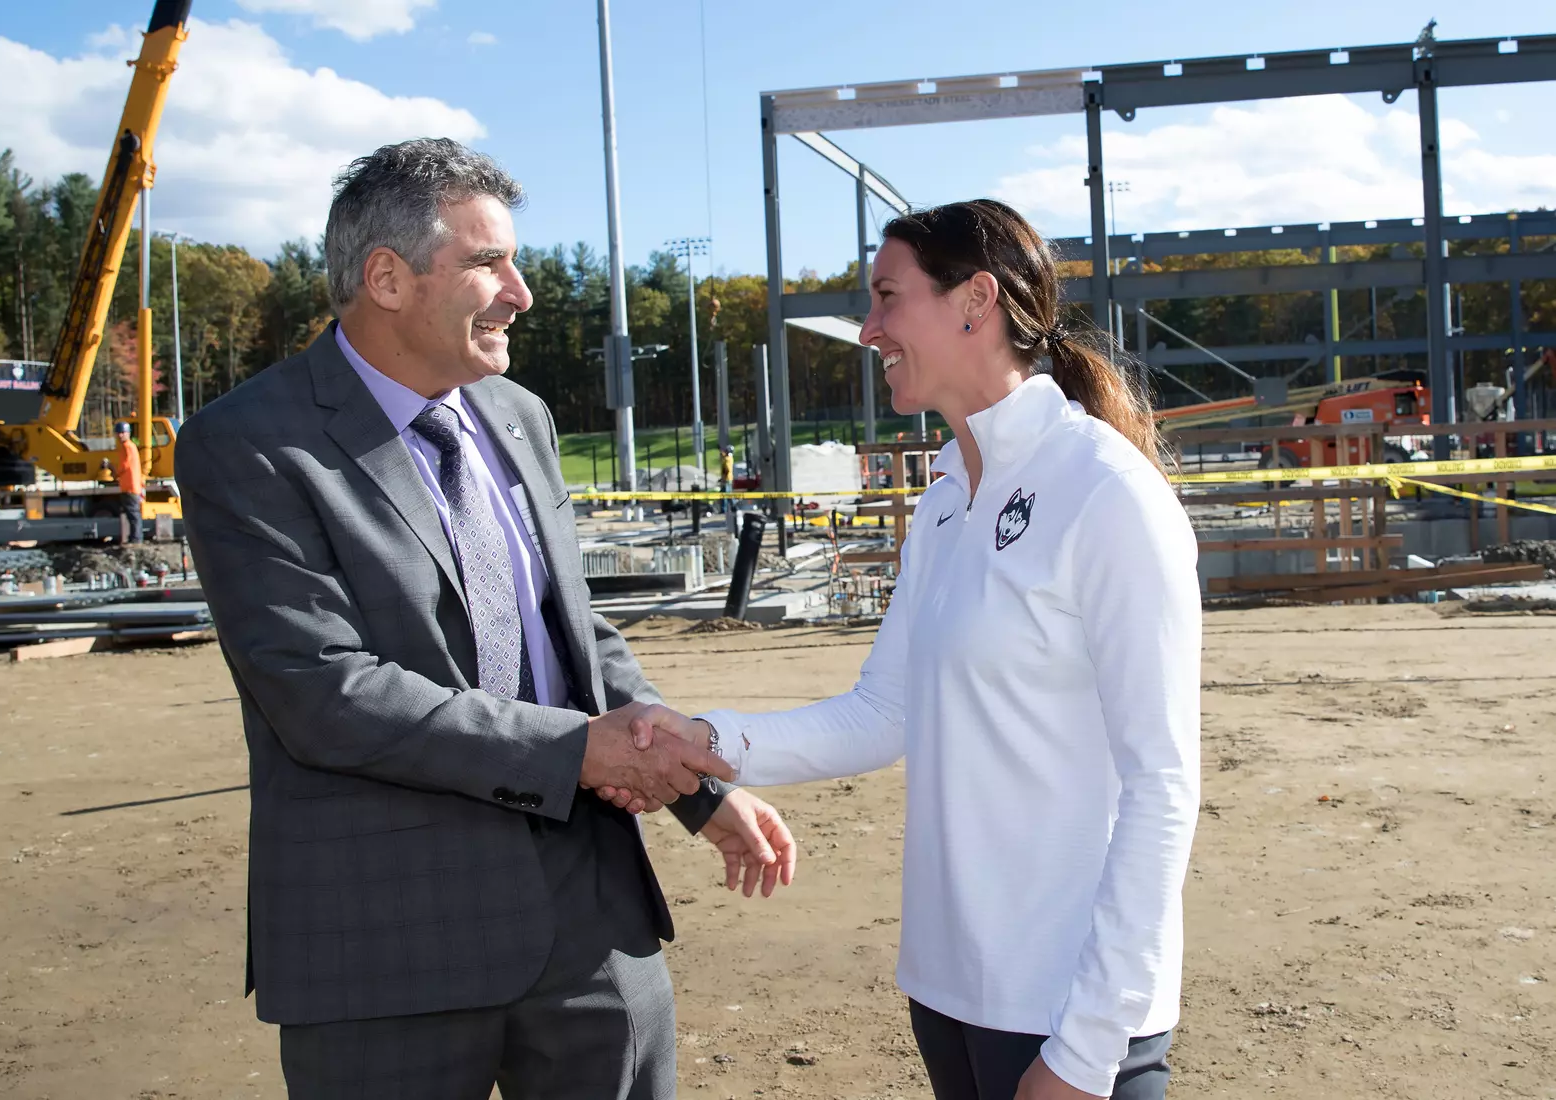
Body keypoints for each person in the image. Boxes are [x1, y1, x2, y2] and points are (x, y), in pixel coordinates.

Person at [176, 138, 796, 1100]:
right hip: (388, 947)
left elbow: (573, 636)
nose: (521, 293)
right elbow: (321, 691)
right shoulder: (250, 445)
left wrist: (694, 785)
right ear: (387, 279)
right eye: (487, 263)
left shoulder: (518, 416)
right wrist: (576, 753)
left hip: (591, 928)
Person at [607, 199, 1201, 1100]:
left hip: (1066, 1015)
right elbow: (884, 713)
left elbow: (1162, 785)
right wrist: (706, 739)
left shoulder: (1107, 493)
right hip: (949, 994)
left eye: (888, 297)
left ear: (976, 301)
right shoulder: (946, 499)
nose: (869, 329)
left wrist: (1088, 1049)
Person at [113, 421, 144, 544]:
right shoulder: (130, 446)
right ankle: (134, 537)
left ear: (128, 433)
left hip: (130, 486)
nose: (120, 435)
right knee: (132, 513)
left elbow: (125, 464)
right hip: (130, 485)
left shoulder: (127, 446)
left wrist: (115, 472)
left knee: (133, 513)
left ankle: (136, 539)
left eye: (122, 432)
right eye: (118, 433)